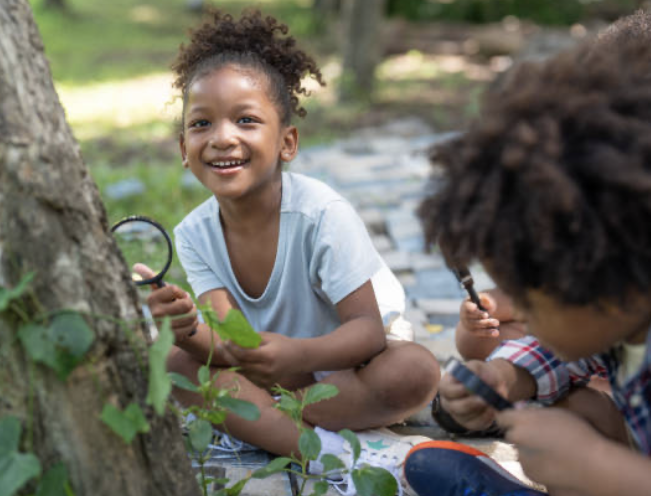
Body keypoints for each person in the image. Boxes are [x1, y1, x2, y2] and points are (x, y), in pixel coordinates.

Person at [135, 8, 440, 477]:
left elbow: (367, 332)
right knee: (174, 362)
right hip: (267, 370)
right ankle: (323, 451)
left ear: (287, 143)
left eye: (246, 120)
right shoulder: (195, 233)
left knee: (415, 371)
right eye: (201, 125)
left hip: (351, 366)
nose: (222, 138)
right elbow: (229, 346)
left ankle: (270, 424)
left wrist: (297, 355)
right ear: (182, 149)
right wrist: (187, 328)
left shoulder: (321, 213)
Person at [407, 10, 651, 496]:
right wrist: (503, 375)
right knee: (580, 415)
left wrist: (606, 471)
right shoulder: (620, 307)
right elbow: (566, 350)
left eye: (533, 300)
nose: (521, 311)